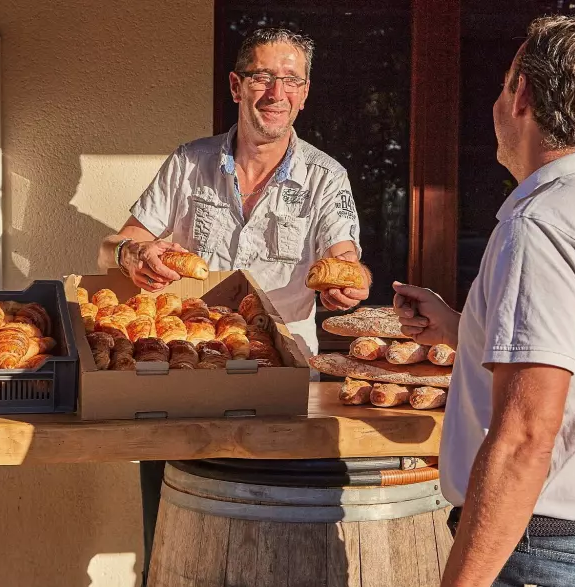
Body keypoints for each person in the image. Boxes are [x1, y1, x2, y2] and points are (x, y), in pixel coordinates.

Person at [392, 15, 575, 587]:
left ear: (521, 96)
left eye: (503, 85)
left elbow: (525, 438)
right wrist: (460, 327)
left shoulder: (540, 226)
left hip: (536, 553)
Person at [96, 28, 371, 584]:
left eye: (290, 80)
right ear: (236, 85)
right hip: (185, 372)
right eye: (264, 77)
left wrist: (352, 283)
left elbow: (346, 256)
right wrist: (134, 253)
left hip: (280, 379)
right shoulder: (188, 164)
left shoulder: (326, 178)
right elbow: (109, 247)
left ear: (305, 93)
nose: (276, 92)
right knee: (174, 521)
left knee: (273, 536)